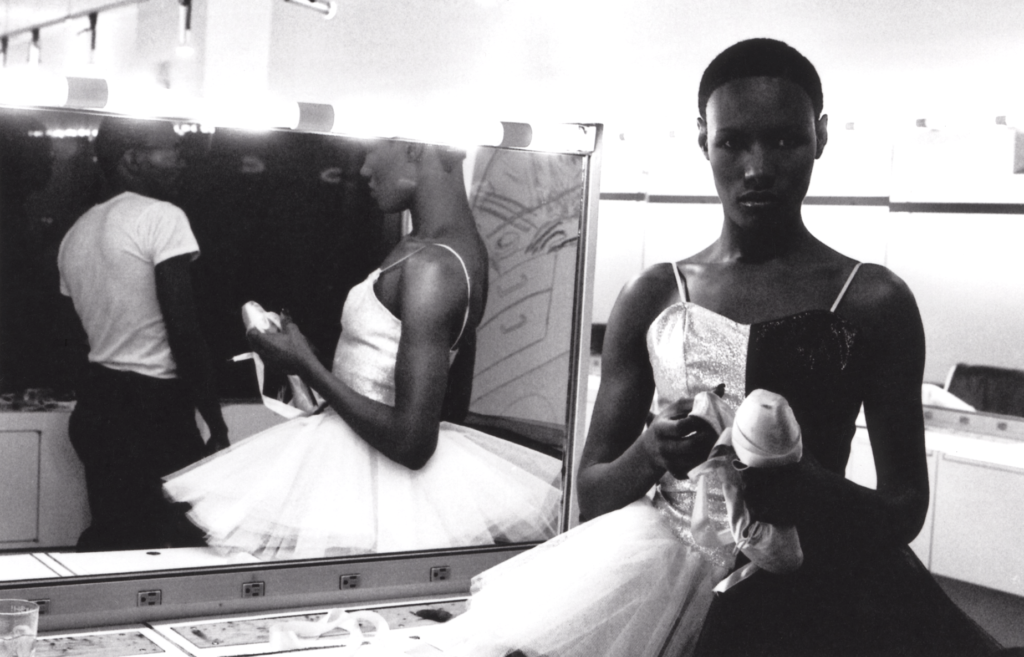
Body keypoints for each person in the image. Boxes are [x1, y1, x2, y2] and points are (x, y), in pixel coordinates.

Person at [424, 38, 1003, 657]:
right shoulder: (653, 295)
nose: (757, 167)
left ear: (822, 137)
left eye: (784, 141)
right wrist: (651, 451)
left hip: (826, 587)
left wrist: (804, 486)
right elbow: (592, 493)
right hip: (659, 577)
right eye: (733, 142)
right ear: (703, 138)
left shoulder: (874, 301)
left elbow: (905, 506)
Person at [162, 138, 562, 560]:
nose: (365, 168)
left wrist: (308, 365)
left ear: (413, 148)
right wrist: (307, 362)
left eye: (373, 149)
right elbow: (450, 400)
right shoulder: (440, 250)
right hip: (360, 472)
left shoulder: (434, 266)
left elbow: (412, 442)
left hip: (376, 491)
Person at [57, 116, 230, 552]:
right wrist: (215, 420)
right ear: (133, 159)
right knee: (178, 546)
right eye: (168, 148)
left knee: (118, 541)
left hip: (98, 407)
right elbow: (183, 331)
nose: (180, 158)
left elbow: (79, 339)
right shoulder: (162, 217)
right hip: (152, 412)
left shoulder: (77, 233)